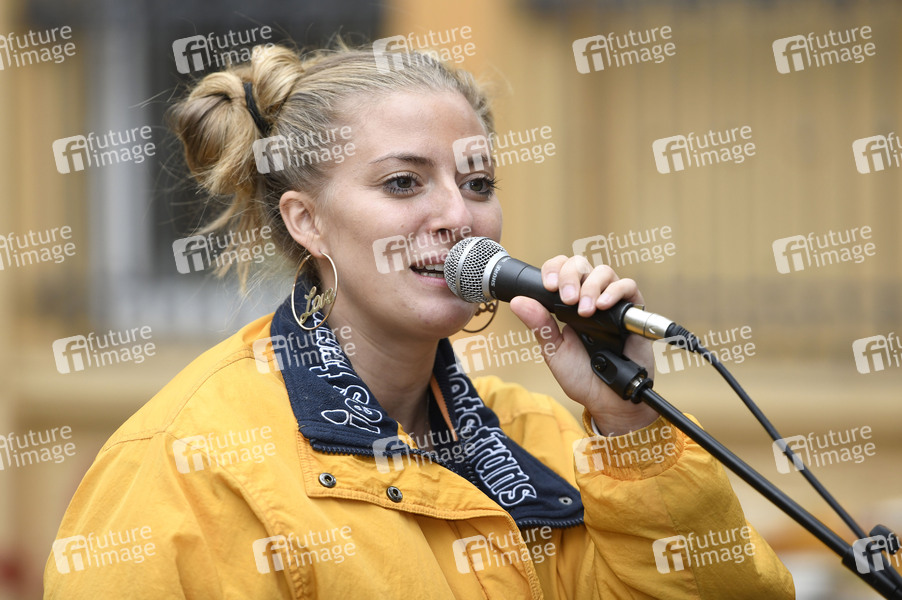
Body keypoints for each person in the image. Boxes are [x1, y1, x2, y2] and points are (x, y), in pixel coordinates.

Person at [44, 41, 794, 598]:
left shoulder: (544, 435)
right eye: (404, 182)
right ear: (307, 221)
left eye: (479, 183)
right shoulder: (186, 463)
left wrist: (628, 427)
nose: (458, 216)